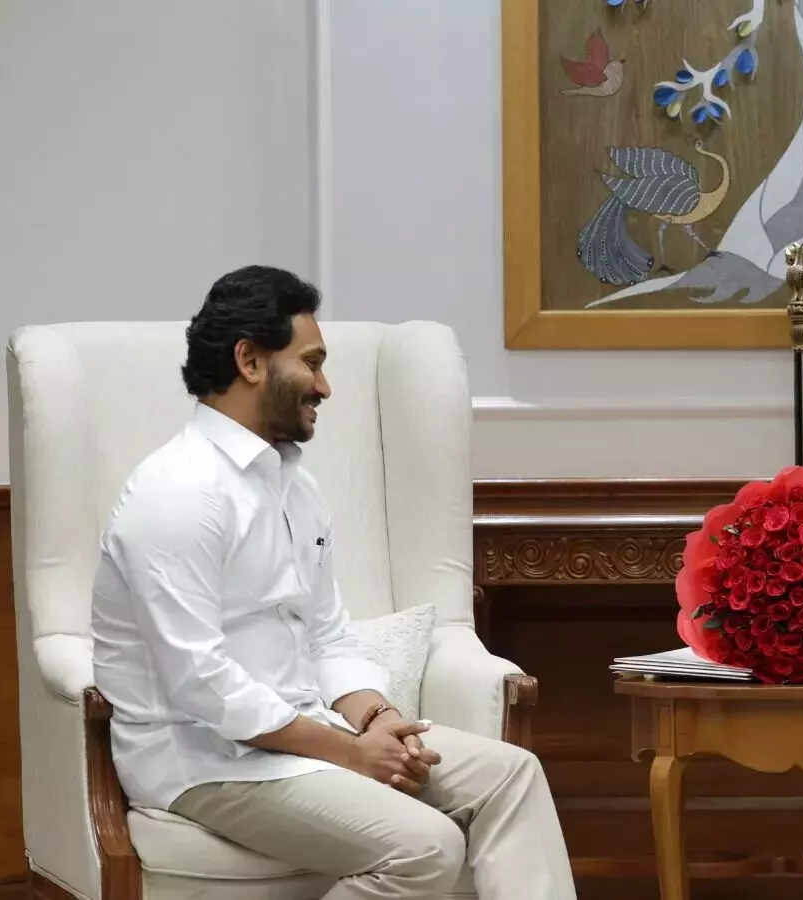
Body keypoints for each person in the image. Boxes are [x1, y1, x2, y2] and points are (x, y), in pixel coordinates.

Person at [91, 266, 577, 900]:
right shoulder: (175, 493)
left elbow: (326, 636)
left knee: (512, 774)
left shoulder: (296, 486)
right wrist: (348, 753)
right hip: (204, 762)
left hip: (310, 733)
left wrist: (379, 719)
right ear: (249, 360)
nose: (324, 387)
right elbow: (202, 684)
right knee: (426, 847)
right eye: (312, 363)